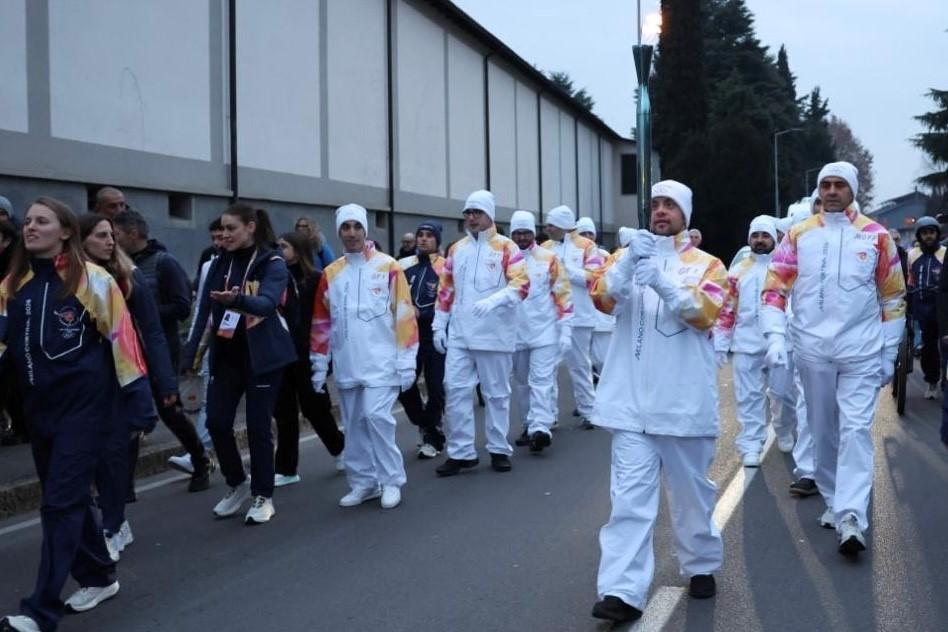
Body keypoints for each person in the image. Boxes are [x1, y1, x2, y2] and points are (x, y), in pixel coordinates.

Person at [0, 197, 148, 632]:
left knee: (59, 504)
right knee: (70, 499)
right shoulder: (13, 284)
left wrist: (139, 400)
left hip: (87, 410)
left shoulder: (92, 279)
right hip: (38, 410)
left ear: (65, 231)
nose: (30, 227)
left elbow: (124, 339)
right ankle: (99, 575)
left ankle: (40, 610)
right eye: (28, 221)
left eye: (42, 221)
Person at [590, 180, 726, 623]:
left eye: (670, 205)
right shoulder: (625, 257)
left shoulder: (708, 265)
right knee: (628, 504)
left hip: (683, 405)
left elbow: (706, 314)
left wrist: (663, 283)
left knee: (691, 498)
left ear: (685, 214)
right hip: (630, 405)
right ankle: (622, 591)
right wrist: (630, 263)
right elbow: (601, 299)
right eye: (656, 205)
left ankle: (700, 563)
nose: (661, 211)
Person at [761, 161, 906, 556]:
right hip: (813, 352)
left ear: (852, 190)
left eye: (839, 185)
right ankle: (833, 497)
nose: (831, 191)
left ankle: (851, 516)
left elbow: (893, 297)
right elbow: (774, 289)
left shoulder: (876, 237)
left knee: (855, 431)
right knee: (822, 432)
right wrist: (775, 335)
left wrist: (888, 352)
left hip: (860, 352)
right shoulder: (799, 235)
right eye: (825, 185)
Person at [183, 203, 297, 525]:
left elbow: (267, 303)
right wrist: (190, 354)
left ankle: (263, 495)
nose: (224, 234)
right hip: (227, 356)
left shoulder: (272, 262)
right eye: (222, 229)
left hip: (263, 358)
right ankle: (237, 483)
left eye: (231, 228)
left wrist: (236, 300)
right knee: (217, 423)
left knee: (259, 427)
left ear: (250, 227)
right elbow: (203, 311)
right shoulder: (217, 262)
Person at [79, 214, 176, 560]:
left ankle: (114, 523)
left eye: (111, 235)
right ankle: (109, 518)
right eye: (101, 235)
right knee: (92, 458)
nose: (110, 241)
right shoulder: (69, 279)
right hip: (81, 383)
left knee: (115, 455)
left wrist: (165, 381)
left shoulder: (128, 276)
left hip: (123, 377)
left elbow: (152, 331)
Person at [310, 204, 418, 509]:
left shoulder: (388, 267)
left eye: (357, 226)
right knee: (354, 425)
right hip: (348, 362)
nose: (352, 233)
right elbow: (321, 323)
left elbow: (405, 315)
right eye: (346, 227)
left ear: (365, 230)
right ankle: (364, 482)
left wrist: (407, 360)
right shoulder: (331, 273)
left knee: (376, 417)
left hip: (382, 362)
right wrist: (319, 365)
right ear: (339, 232)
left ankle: (391, 480)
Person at [112, 209, 211, 491]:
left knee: (170, 411)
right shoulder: (116, 266)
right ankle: (124, 487)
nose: (112, 241)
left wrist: (143, 313)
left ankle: (200, 460)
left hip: (161, 349)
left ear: (133, 234)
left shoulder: (164, 263)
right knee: (130, 414)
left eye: (116, 235)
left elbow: (182, 307)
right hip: (127, 352)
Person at [434, 190, 529, 476]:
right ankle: (461, 452)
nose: (472, 217)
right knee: (455, 390)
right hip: (461, 333)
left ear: (489, 214)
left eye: (477, 212)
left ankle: (498, 449)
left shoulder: (507, 247)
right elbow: (446, 288)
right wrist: (439, 324)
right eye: (468, 212)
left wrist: (495, 300)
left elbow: (522, 285)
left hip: (494, 334)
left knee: (496, 394)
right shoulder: (456, 249)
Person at [714, 215, 793, 466]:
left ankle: (783, 428)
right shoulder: (738, 271)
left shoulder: (784, 269)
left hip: (781, 344)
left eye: (765, 235)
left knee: (784, 395)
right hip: (746, 344)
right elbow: (727, 310)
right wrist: (720, 344)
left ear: (774, 238)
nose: (760, 240)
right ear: (749, 239)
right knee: (748, 398)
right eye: (755, 236)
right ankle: (751, 444)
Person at [272, 231, 345, 486]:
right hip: (281, 354)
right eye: (277, 246)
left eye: (284, 246)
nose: (279, 250)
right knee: (284, 413)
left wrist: (322, 355)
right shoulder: (274, 277)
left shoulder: (315, 279)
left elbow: (325, 318)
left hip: (309, 354)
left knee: (315, 408)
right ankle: (286, 468)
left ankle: (339, 448)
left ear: (299, 249)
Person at [509, 211, 572, 452]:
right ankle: (528, 425)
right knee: (522, 383)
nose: (521, 237)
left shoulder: (548, 258)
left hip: (545, 332)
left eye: (526, 232)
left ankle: (540, 427)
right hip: (515, 333)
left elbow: (563, 294)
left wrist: (565, 330)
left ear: (534, 233)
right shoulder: (506, 258)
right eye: (517, 233)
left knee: (541, 380)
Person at [542, 206, 603, 429]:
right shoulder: (545, 248)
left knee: (579, 365)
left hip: (580, 315)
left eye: (551, 225)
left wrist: (566, 270)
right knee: (547, 367)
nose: (547, 228)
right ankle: (549, 415)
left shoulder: (587, 246)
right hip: (551, 316)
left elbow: (595, 278)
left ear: (562, 225)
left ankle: (588, 411)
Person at [397, 221, 448, 458]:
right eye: (420, 235)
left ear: (437, 240)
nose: (424, 239)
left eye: (429, 235)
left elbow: (449, 300)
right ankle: (427, 425)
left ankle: (433, 437)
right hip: (409, 335)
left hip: (436, 334)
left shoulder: (446, 267)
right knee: (404, 385)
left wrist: (425, 314)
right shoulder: (403, 265)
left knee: (436, 387)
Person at [907, 216, 944, 400]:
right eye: (925, 233)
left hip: (943, 308)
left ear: (937, 234)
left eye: (932, 232)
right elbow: (910, 279)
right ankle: (932, 381)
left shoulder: (945, 253)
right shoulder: (912, 255)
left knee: (945, 345)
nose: (929, 236)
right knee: (929, 348)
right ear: (919, 236)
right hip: (922, 307)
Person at [576, 217, 614, 380]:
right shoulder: (573, 256)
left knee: (601, 358)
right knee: (582, 361)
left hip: (600, 317)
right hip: (579, 315)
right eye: (583, 233)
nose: (587, 237)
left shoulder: (604, 256)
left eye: (590, 233)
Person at [194, 217, 224, 287]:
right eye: (213, 238)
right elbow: (200, 278)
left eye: (220, 238)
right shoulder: (207, 253)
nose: (216, 242)